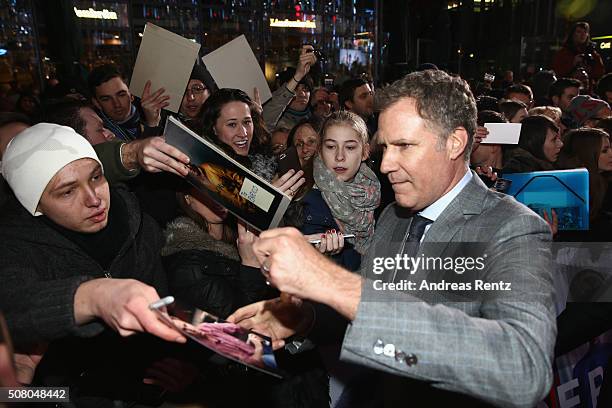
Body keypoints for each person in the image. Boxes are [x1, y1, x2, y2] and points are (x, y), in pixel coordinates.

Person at [229, 69, 556, 407]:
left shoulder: (511, 228)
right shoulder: (394, 217)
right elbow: (369, 319)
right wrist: (304, 318)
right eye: (385, 147)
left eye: (404, 146)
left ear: (455, 142)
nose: (385, 164)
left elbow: (525, 368)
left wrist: (331, 281)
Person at [0, 123, 188, 404]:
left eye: (97, 177)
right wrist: (91, 297)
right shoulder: (14, 243)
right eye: (67, 192)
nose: (94, 199)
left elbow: (173, 299)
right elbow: (13, 305)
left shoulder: (136, 220)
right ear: (35, 205)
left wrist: (188, 361)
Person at [88, 64, 169, 141]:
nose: (116, 104)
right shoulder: (101, 133)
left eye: (121, 95)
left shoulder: (153, 110)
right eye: (106, 99)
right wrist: (152, 124)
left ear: (131, 94)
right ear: (97, 103)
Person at [262, 45, 317, 131]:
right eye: (295, 89)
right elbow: (266, 117)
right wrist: (298, 76)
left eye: (305, 89)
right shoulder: (276, 123)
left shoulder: (316, 121)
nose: (302, 94)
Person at [178, 64, 213, 135]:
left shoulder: (221, 126)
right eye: (183, 91)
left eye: (197, 89)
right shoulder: (163, 124)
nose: (190, 97)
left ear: (209, 93)